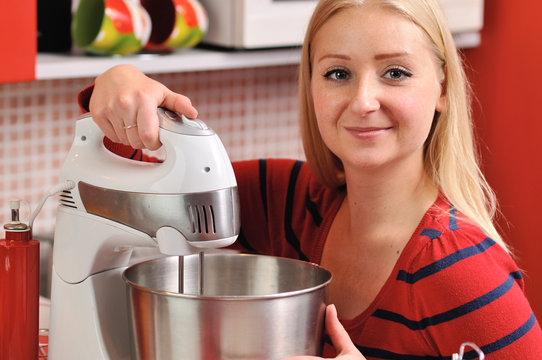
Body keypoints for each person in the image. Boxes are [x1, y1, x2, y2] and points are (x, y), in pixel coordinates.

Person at [78, 0, 542, 358]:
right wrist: (119, 85)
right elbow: (140, 182)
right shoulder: (290, 204)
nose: (363, 100)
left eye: (395, 73)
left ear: (441, 88)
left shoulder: (460, 273)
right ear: (312, 85)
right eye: (338, 72)